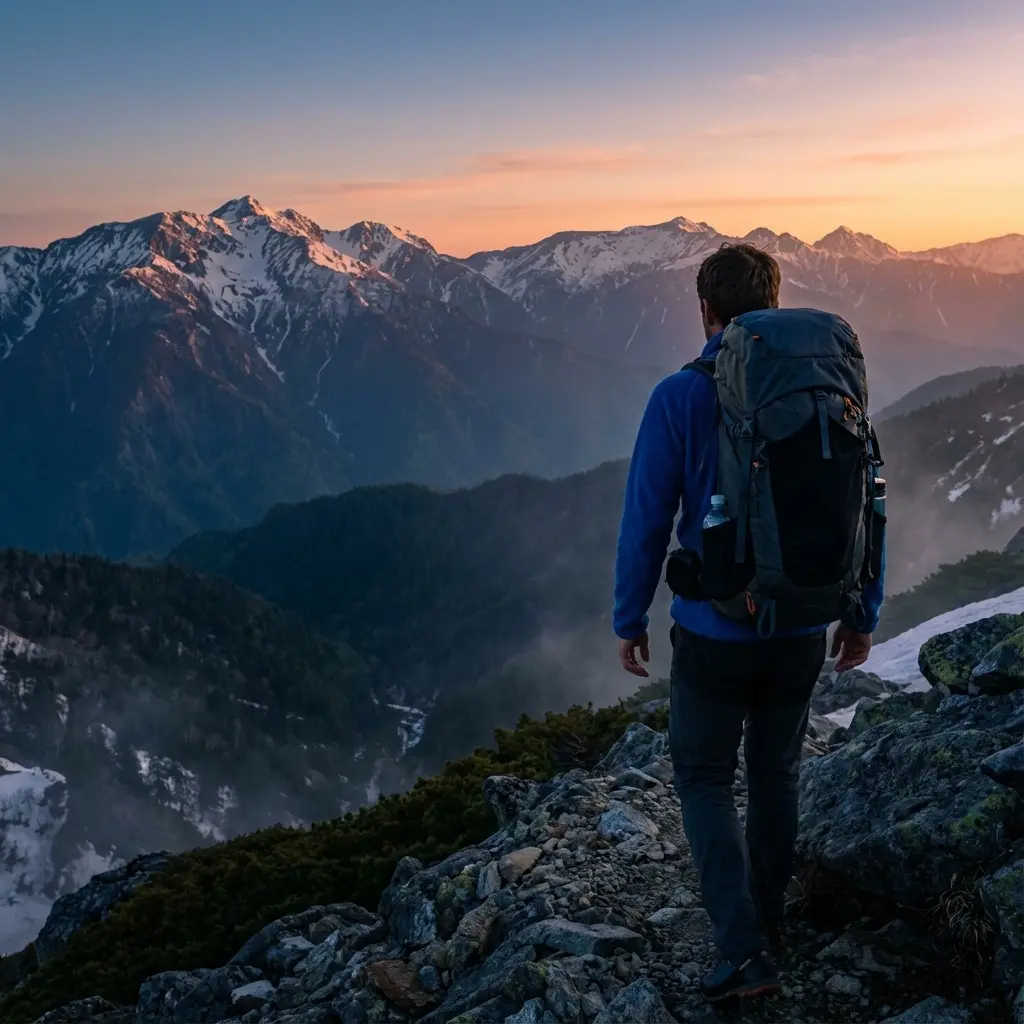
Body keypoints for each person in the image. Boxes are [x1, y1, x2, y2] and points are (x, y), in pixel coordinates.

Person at [612, 243, 884, 1003]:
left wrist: (627, 615)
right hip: (801, 624)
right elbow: (866, 501)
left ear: (706, 310)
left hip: (712, 632)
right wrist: (861, 610)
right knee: (775, 775)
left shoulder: (679, 396)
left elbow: (646, 519)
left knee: (702, 779)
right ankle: (770, 923)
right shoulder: (828, 383)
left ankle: (741, 950)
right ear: (773, 299)